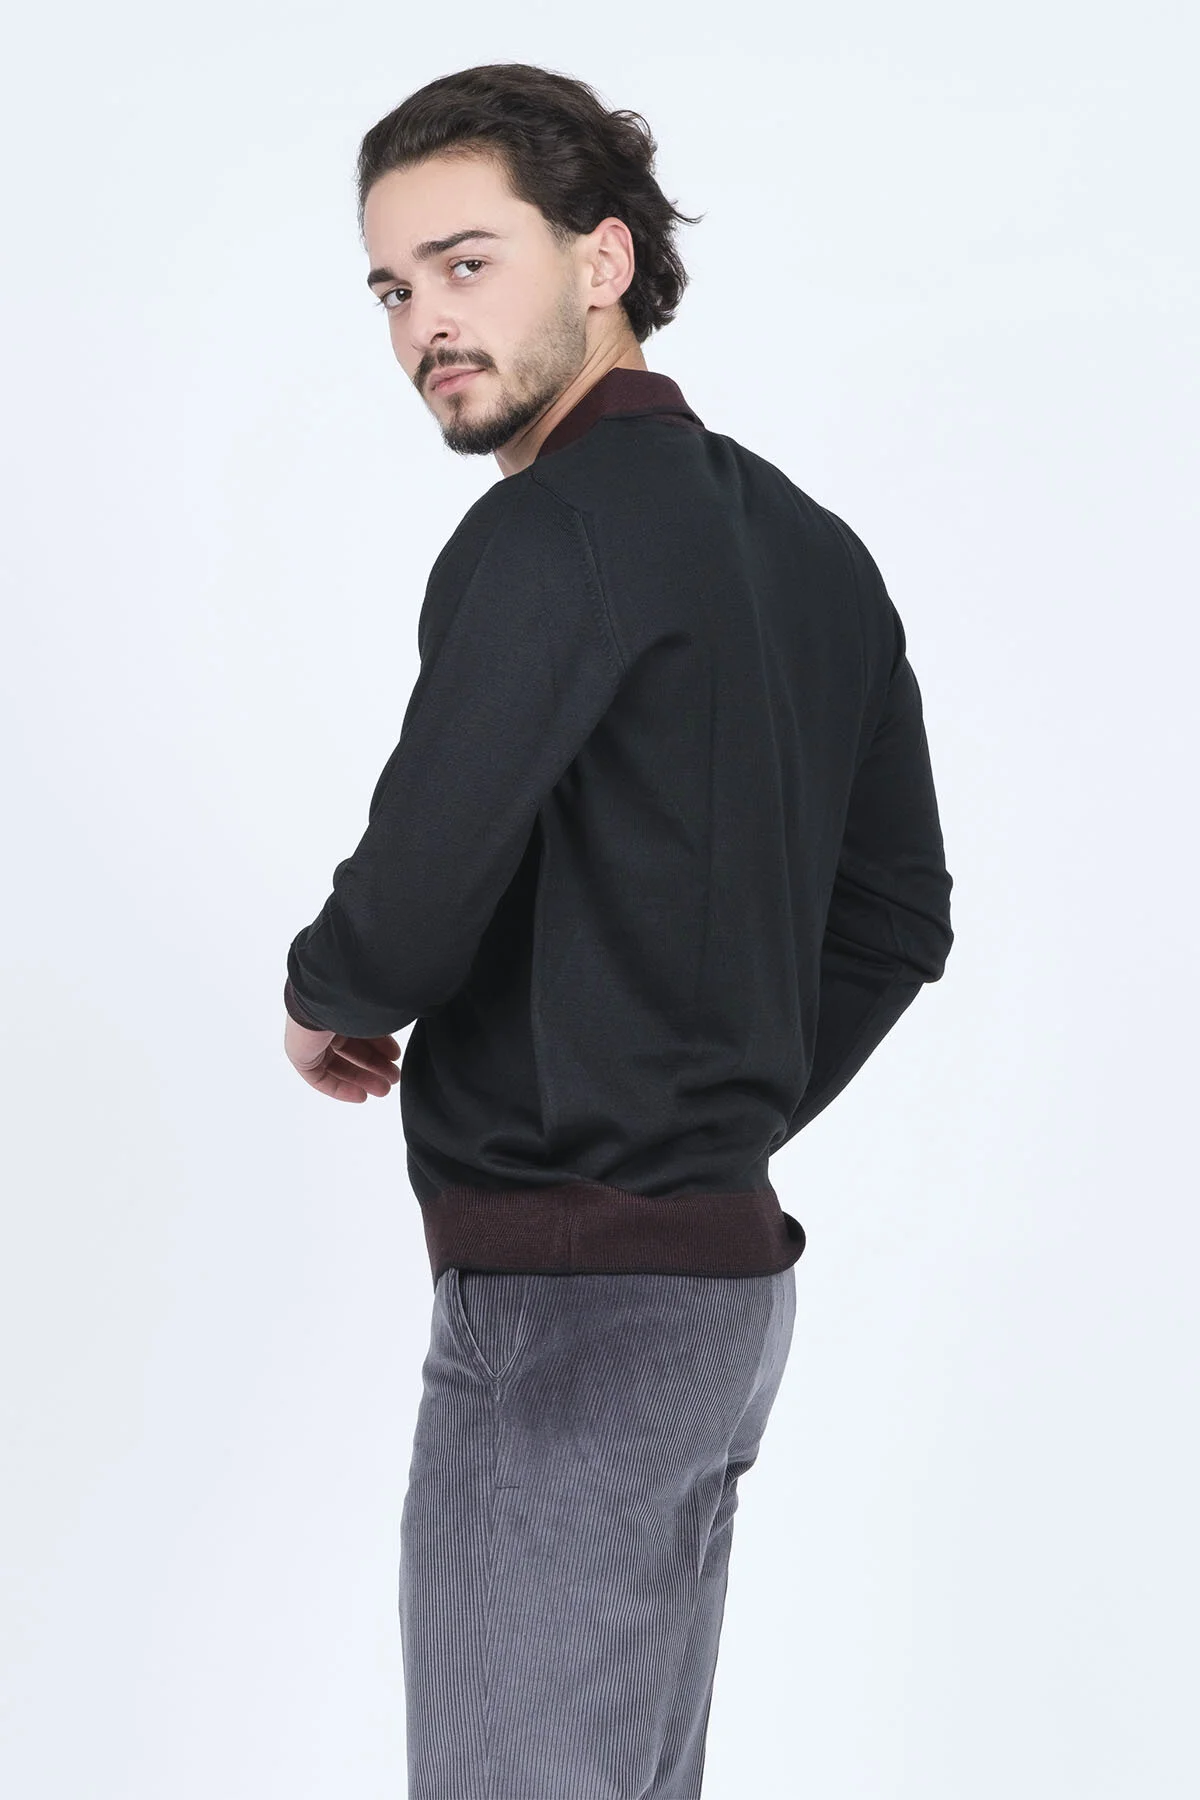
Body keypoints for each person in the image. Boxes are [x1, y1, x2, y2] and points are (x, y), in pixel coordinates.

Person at [281, 61, 954, 1800]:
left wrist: (323, 995)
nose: (425, 322)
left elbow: (411, 901)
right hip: (719, 1295)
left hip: (568, 1314)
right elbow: (898, 916)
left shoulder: (548, 534)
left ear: (603, 258)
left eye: (466, 263)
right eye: (391, 287)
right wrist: (704, 1112)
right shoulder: (817, 554)